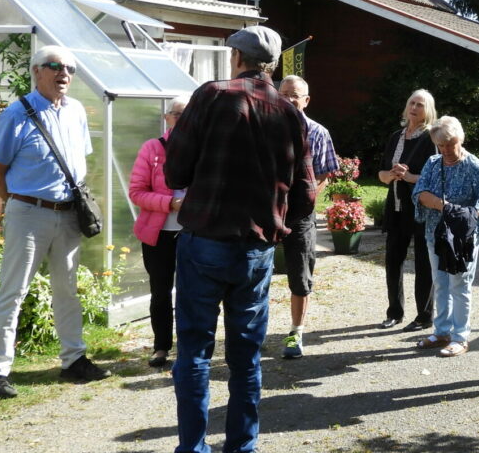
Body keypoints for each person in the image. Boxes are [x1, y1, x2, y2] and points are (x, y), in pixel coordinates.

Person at [164, 26, 315, 453]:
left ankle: (192, 447)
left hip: (205, 242)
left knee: (194, 351)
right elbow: (305, 195)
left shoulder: (212, 95)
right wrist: (275, 220)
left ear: (236, 56)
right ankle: (242, 447)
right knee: (246, 358)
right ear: (271, 64)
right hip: (255, 249)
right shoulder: (289, 114)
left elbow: (175, 172)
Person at [0, 45, 112, 398]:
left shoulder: (77, 111)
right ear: (37, 71)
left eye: (70, 68)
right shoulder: (16, 114)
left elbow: (80, 162)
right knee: (13, 290)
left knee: (67, 290)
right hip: (28, 213)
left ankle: (74, 360)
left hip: (68, 213)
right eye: (55, 66)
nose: (64, 73)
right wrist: (19, 205)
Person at [410, 116, 479, 357]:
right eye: (440, 145)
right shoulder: (433, 163)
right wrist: (446, 207)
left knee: (460, 285)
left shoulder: (472, 164)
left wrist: (473, 213)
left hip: (463, 237)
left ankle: (460, 338)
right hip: (436, 234)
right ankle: (441, 332)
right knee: (440, 283)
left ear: (459, 139)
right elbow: (420, 192)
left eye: (449, 144)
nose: (446, 150)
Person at [276, 75, 338, 359]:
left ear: (306, 100)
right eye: (284, 93)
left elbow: (326, 171)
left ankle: (295, 333)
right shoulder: (265, 128)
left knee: (300, 274)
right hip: (267, 210)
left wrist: (309, 194)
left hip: (300, 214)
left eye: (295, 95)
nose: (289, 98)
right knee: (254, 271)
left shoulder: (317, 132)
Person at [127, 93, 190, 368]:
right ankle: (161, 346)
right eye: (177, 114)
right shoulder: (152, 148)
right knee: (160, 291)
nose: (182, 119)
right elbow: (136, 192)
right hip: (158, 233)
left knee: (193, 292)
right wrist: (170, 203)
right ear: (167, 118)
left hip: (193, 232)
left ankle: (190, 346)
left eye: (187, 115)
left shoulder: (201, 150)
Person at [377, 89, 437, 332]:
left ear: (428, 110)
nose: (414, 108)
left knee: (423, 263)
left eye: (420, 104)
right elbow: (380, 174)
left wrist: (409, 176)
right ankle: (394, 312)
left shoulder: (431, 138)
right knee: (393, 260)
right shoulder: (396, 137)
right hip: (396, 206)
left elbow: (435, 178)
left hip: (421, 209)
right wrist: (390, 175)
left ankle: (424, 316)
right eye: (411, 103)